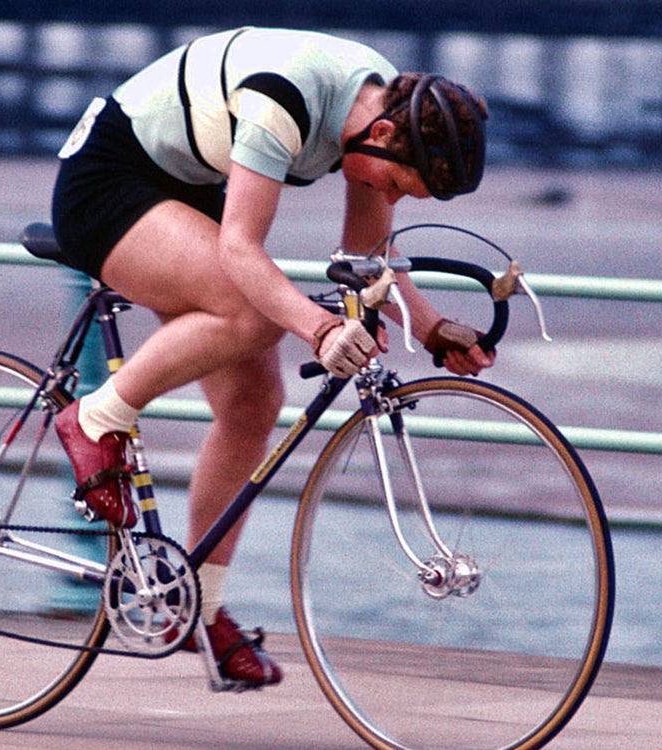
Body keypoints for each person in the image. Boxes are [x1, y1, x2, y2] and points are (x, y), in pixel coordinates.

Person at [46, 26, 495, 688]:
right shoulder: (283, 97)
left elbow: (365, 260)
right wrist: (318, 329)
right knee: (255, 315)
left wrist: (430, 326)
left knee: (256, 404)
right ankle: (95, 418)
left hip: (190, 185)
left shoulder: (384, 114)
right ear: (383, 138)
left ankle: (199, 603)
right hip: (111, 180)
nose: (390, 199)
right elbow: (240, 251)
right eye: (398, 187)